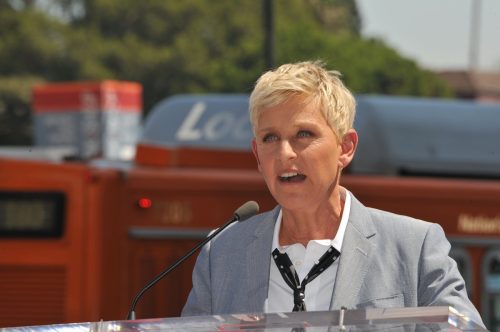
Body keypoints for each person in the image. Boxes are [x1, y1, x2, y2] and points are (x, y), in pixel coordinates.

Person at [181, 60, 485, 327]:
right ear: (257, 155)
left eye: (303, 134)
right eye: (270, 137)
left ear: (345, 147)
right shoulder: (220, 253)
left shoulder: (415, 247)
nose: (285, 153)